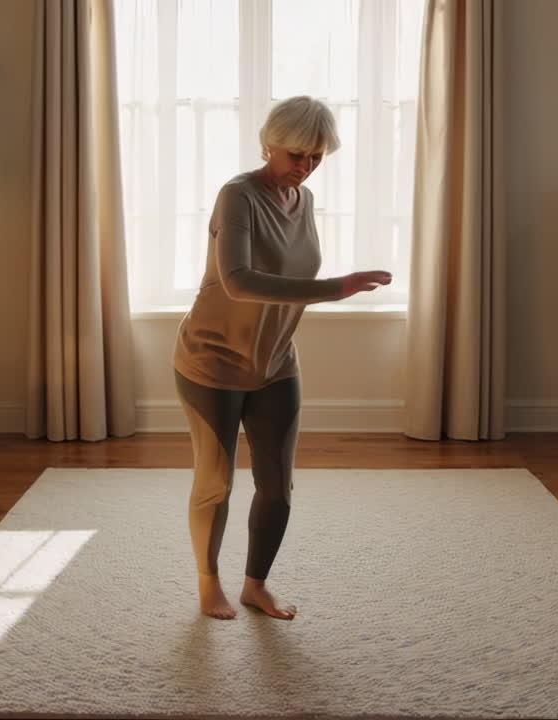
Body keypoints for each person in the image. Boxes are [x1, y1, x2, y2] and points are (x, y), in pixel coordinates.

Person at [173, 96, 392, 620]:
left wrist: (329, 288)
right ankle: (209, 582)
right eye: (296, 154)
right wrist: (335, 288)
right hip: (213, 361)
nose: (306, 166)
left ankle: (255, 585)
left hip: (275, 362)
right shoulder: (237, 197)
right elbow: (238, 281)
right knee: (216, 480)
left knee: (278, 485)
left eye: (316, 157)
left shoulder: (306, 200)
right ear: (268, 143)